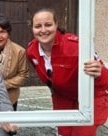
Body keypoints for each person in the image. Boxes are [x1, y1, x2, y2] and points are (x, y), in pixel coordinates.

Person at [26, 8, 108, 136]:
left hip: (89, 98)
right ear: (32, 29)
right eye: (38, 26)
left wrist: (99, 73)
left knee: (82, 134)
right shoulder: (32, 51)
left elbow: (105, 78)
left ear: (56, 25)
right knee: (64, 133)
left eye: (48, 25)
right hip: (63, 98)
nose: (43, 30)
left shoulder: (77, 46)